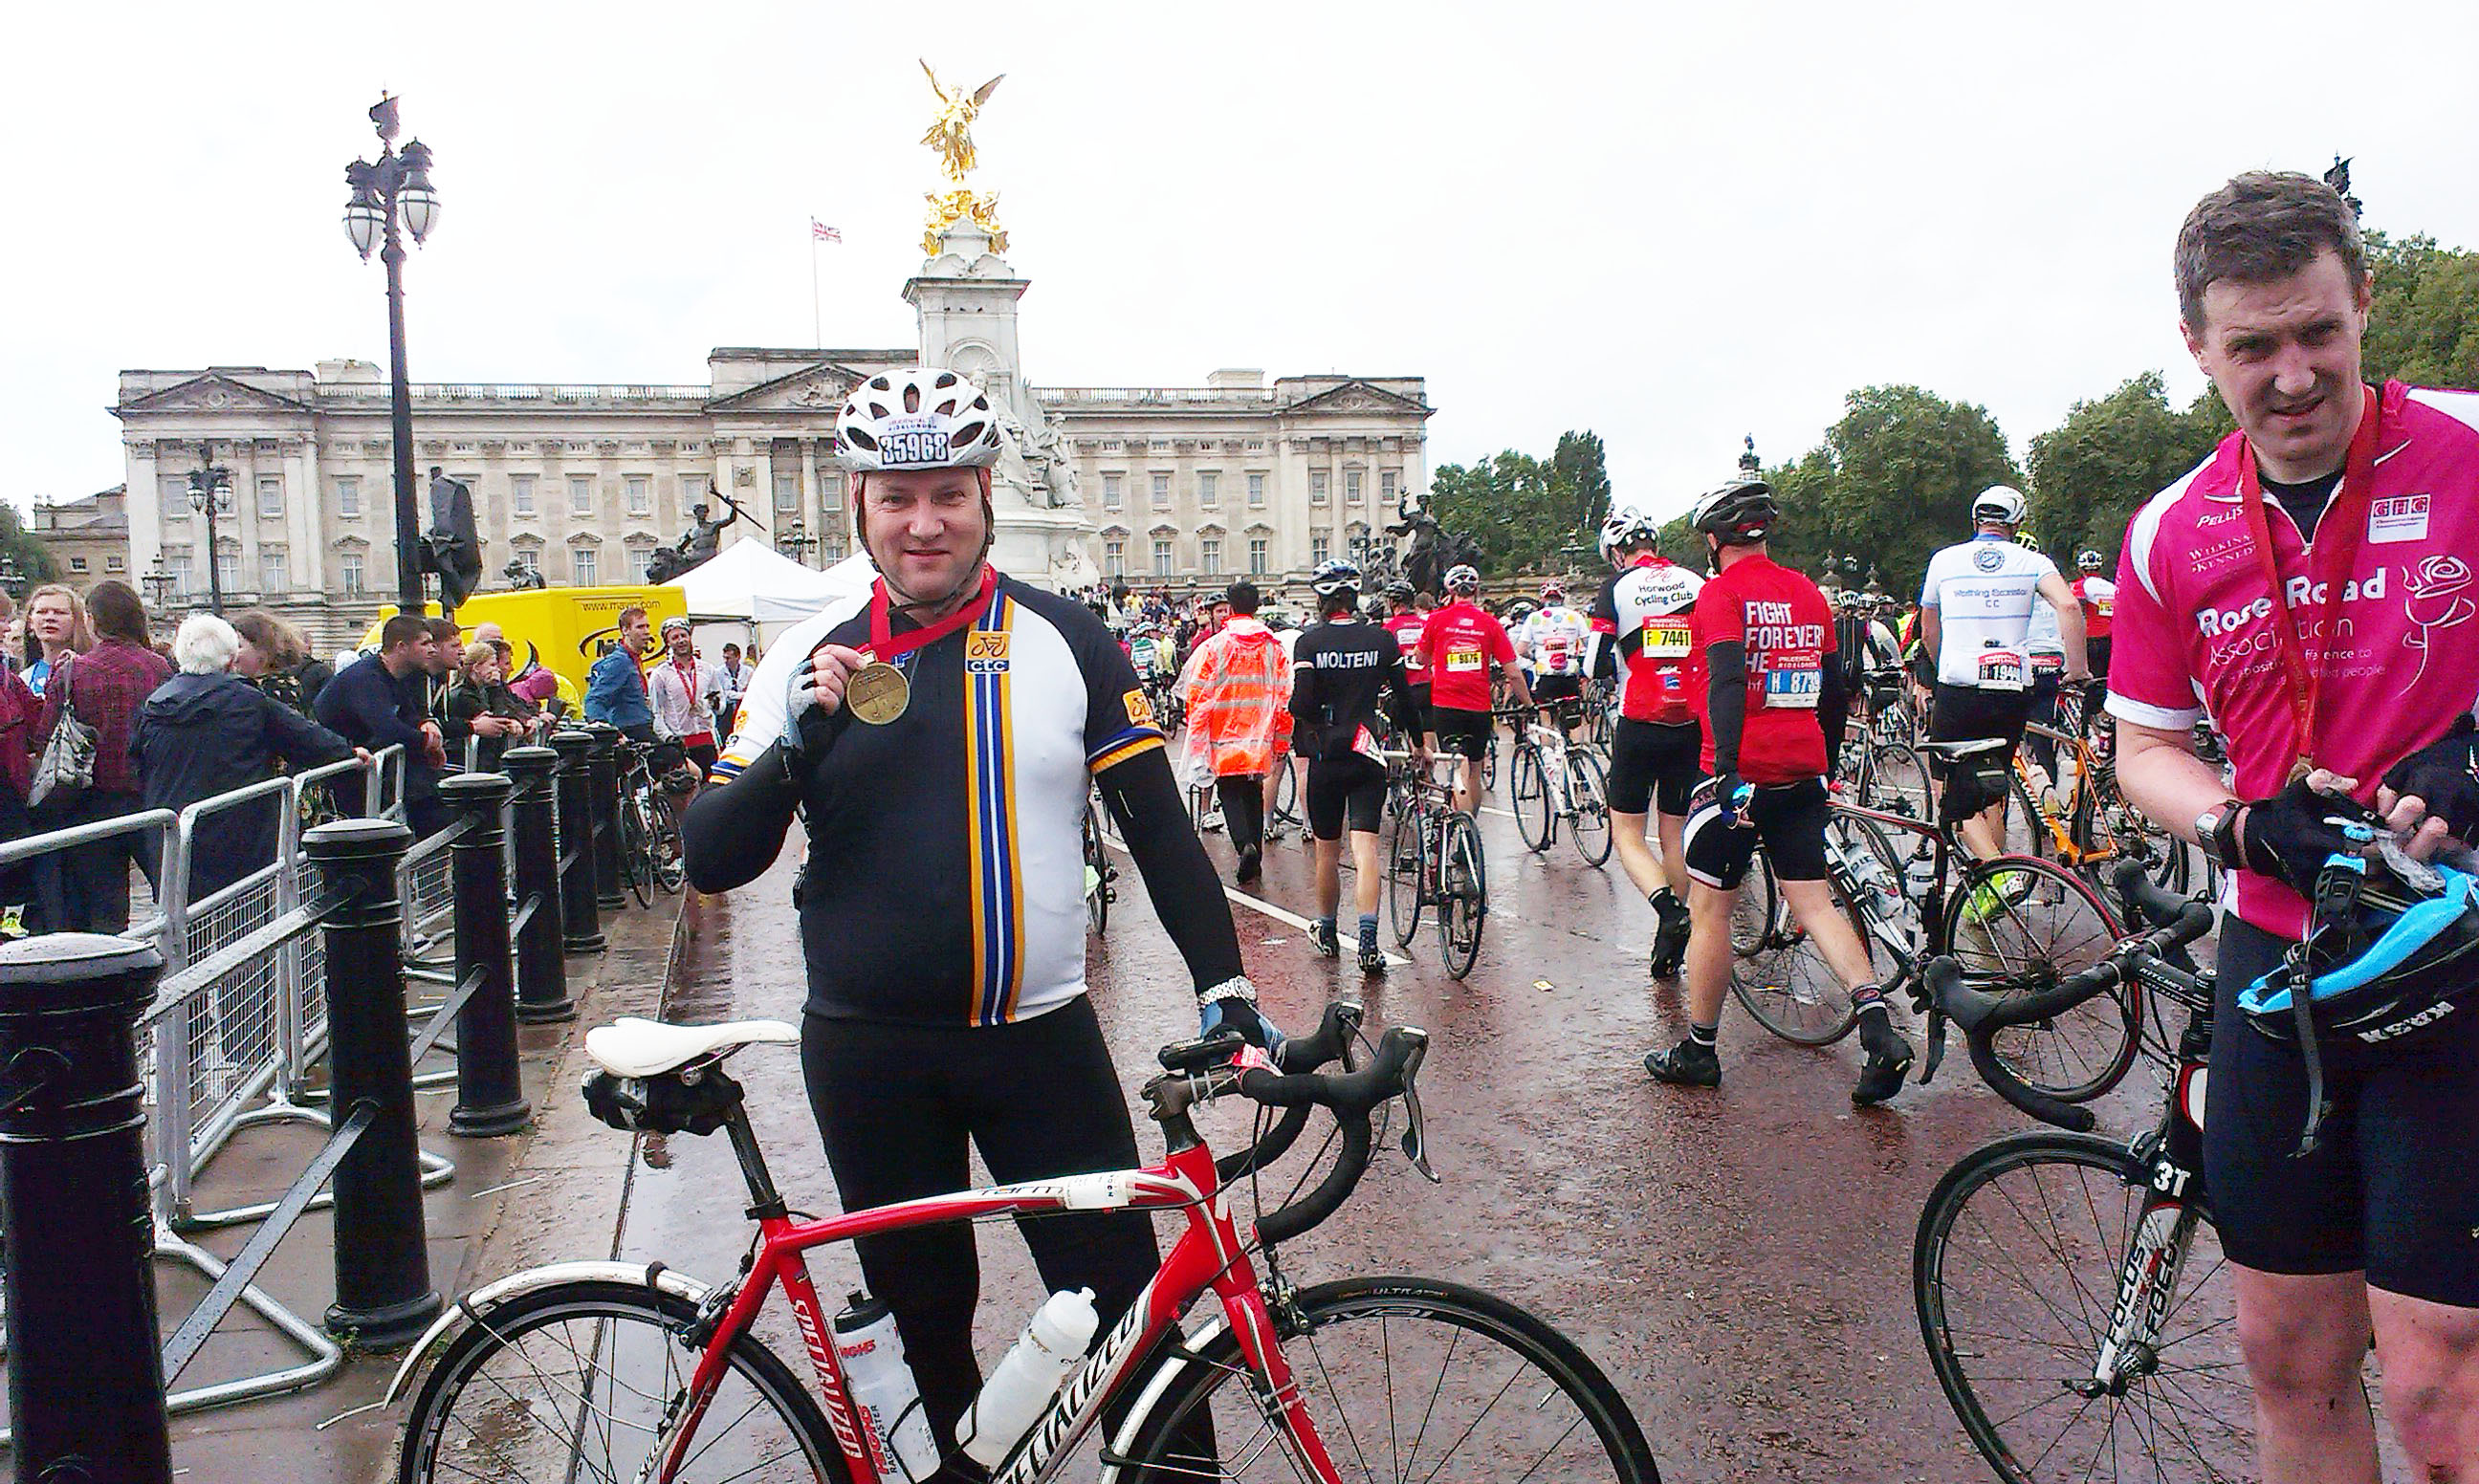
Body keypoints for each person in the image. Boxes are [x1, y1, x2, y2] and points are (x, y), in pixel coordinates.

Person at [681, 365, 1268, 1452]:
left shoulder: (1068, 637)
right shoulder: (800, 658)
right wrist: (804, 739)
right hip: (870, 1052)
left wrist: (1224, 985)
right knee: (932, 1327)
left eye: (948, 492)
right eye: (896, 498)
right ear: (858, 503)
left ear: (989, 491)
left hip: (1040, 1043)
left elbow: (1156, 824)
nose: (923, 522)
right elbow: (713, 857)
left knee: (1140, 1339)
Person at [2108, 170, 2479, 1481]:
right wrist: (2233, 825)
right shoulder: (2168, 530)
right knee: (2289, 1359)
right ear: (2198, 348)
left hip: (2456, 963)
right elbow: (2142, 746)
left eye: (2318, 332)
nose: (2294, 375)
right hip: (2277, 976)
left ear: (2365, 305)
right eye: (2253, 346)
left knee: (2441, 1385)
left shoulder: (2471, 451)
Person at [1644, 479, 1913, 1104]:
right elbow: (1831, 688)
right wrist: (1829, 761)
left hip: (1737, 778)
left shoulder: (1719, 594)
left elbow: (1730, 678)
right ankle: (1878, 1030)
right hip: (1802, 770)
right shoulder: (1805, 592)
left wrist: (1730, 770)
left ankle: (1701, 1051)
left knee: (1711, 911)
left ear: (1714, 540)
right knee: (1815, 904)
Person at [134, 614, 361, 905]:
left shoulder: (154, 705)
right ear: (230, 660)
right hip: (239, 837)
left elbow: (137, 765)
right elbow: (313, 743)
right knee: (246, 927)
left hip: (174, 836)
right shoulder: (248, 701)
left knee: (186, 933)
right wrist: (351, 753)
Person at [1917, 486, 2087, 861]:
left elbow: (1929, 627)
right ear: (2017, 523)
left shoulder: (1944, 560)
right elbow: (2070, 608)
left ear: (1975, 520)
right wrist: (2078, 671)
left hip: (1960, 682)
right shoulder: (2033, 562)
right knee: (1992, 786)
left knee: (1951, 793)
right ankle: (1994, 873)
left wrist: (1943, 662)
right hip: (2011, 685)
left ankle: (1995, 870)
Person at [1590, 509, 1705, 977]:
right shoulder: (1694, 582)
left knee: (1628, 836)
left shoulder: (1616, 587)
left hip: (1639, 719)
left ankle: (1669, 913)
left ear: (1617, 552)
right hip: (1689, 721)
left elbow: (1596, 662)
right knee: (1674, 834)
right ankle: (1672, 942)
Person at [1289, 559, 1420, 971]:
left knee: (1328, 853)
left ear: (1322, 601)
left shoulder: (1309, 644)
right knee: (1366, 850)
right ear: (1354, 598)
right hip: (1367, 750)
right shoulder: (1381, 640)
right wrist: (1419, 743)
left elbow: (1303, 703)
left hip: (1327, 753)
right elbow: (1404, 697)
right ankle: (1367, 941)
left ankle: (1328, 929)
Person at [32, 581, 171, 933]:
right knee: (170, 895)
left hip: (91, 800)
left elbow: (46, 735)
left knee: (106, 910)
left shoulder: (72, 672)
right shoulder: (160, 669)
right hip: (150, 796)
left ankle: (113, 980)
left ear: (91, 621)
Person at [1176, 579, 1292, 884]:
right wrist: (1281, 741)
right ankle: (1255, 853)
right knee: (1253, 789)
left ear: (1230, 607)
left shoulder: (1215, 646)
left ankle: (1244, 845)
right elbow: (1284, 697)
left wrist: (1198, 740)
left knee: (1229, 790)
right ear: (1256, 607)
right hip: (1260, 733)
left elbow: (1197, 695)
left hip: (1224, 734)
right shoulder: (1273, 647)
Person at [316, 615, 450, 838]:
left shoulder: (402, 674)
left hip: (362, 761)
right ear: (401, 647)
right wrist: (428, 743)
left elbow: (409, 713)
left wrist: (425, 724)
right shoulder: (366, 678)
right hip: (340, 765)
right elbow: (387, 728)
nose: (433, 650)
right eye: (425, 643)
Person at [1419, 564, 1531, 816]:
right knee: (1475, 769)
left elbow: (1421, 659)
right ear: (1476, 591)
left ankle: (1460, 824)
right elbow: (1512, 672)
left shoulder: (1436, 620)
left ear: (1449, 592)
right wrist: (1528, 704)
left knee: (1457, 767)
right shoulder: (1490, 623)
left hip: (1445, 704)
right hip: (1478, 706)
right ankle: (1470, 829)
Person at [442, 642, 537, 774]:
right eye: (492, 665)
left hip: (485, 760)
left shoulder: (484, 690)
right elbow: (497, 718)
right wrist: (495, 688)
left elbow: (513, 705)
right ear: (476, 667)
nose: (497, 670)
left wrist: (526, 720)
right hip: (465, 764)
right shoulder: (463, 695)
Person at [647, 617, 722, 780]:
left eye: (683, 635)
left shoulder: (707, 669)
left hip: (706, 739)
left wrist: (713, 704)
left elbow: (720, 702)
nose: (680, 640)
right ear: (667, 643)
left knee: (712, 787)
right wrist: (669, 738)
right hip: (680, 743)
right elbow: (656, 713)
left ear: (689, 637)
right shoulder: (661, 674)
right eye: (674, 637)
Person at [1516, 580, 1592, 736]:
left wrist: (1535, 658)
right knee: (1574, 722)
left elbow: (1521, 649)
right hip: (1569, 674)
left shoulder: (1533, 618)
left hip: (1545, 675)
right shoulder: (1575, 616)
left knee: (1547, 722)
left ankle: (1549, 756)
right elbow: (1589, 644)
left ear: (1543, 598)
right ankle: (1577, 754)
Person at [583, 606, 658, 744]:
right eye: (640, 627)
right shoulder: (619, 661)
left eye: (647, 626)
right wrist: (613, 734)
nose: (647, 632)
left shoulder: (633, 659)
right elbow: (594, 699)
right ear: (625, 630)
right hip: (632, 731)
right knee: (681, 762)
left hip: (644, 727)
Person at [20, 584, 93, 699]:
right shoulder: (24, 679)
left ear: (77, 621)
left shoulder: (91, 672)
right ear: (30, 622)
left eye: (60, 612)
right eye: (42, 612)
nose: (50, 618)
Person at [2070, 549, 2115, 717]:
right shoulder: (2112, 587)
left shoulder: (2080, 585)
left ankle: (2086, 722)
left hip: (2089, 639)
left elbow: (2076, 610)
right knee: (2104, 682)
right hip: (2111, 640)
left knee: (2086, 682)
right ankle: (2104, 717)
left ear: (2081, 569)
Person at [712, 641, 749, 737]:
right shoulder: (718, 672)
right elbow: (722, 693)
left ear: (737, 657)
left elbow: (751, 691)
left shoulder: (748, 671)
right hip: (726, 712)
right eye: (724, 658)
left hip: (743, 709)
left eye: (728, 658)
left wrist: (736, 695)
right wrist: (741, 695)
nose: (726, 661)